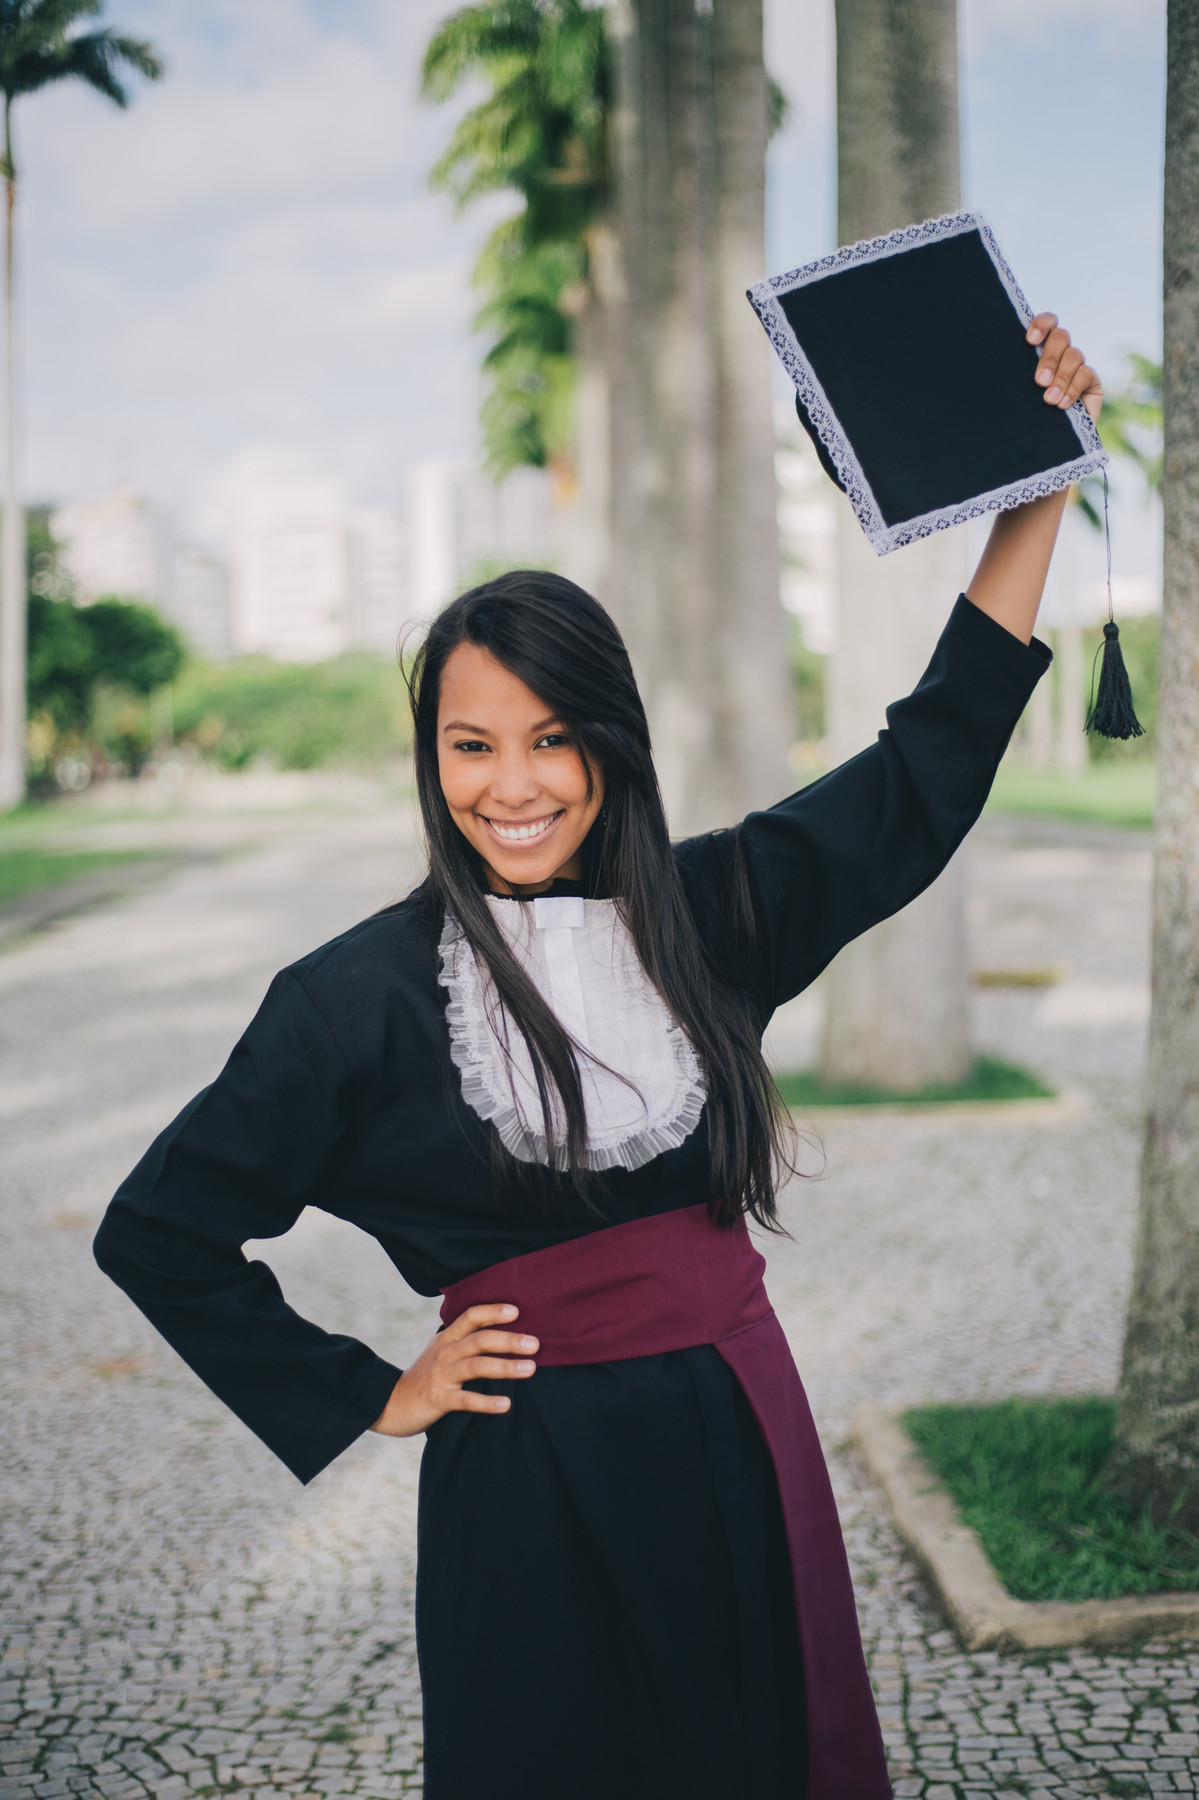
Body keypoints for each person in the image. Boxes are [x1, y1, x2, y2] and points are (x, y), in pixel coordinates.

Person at [94, 316, 1101, 1800]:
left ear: (612, 744)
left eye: (553, 738)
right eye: (471, 745)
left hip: (735, 1425)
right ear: (431, 757)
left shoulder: (716, 910)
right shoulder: (355, 999)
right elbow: (159, 1231)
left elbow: (923, 771)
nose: (513, 784)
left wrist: (1038, 491)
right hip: (524, 1479)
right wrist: (370, 1390)